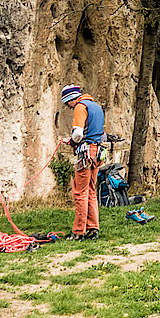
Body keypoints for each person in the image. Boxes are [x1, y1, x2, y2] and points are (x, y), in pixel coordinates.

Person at [62, 84, 106, 240]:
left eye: (67, 103)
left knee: (79, 192)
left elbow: (79, 134)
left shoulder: (80, 107)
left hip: (86, 152)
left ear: (71, 99)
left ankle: (78, 231)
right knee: (91, 190)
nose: (67, 107)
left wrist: (72, 142)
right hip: (97, 152)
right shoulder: (96, 107)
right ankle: (93, 228)